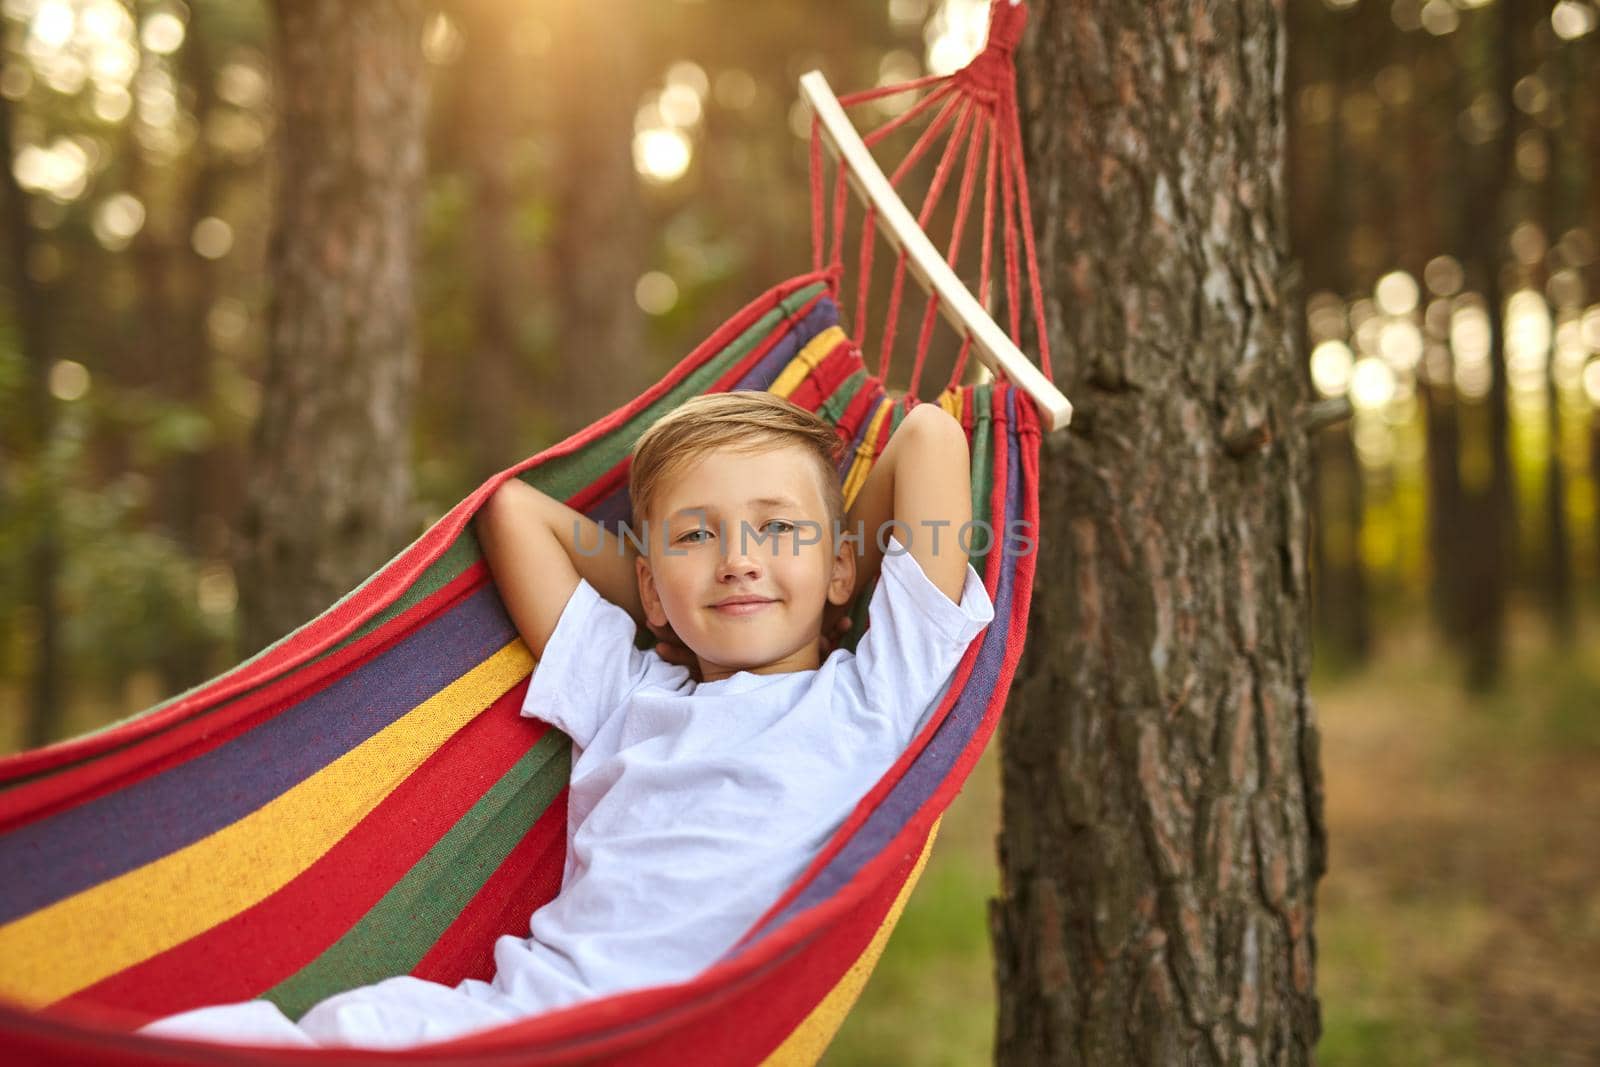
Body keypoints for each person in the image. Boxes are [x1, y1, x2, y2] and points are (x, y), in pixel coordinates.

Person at [139, 392, 994, 1049]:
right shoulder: (630, 696)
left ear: (844, 563)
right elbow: (515, 513)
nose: (739, 560)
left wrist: (831, 577)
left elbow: (928, 436)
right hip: (511, 1024)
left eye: (775, 528)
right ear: (649, 585)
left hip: (664, 1042)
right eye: (698, 536)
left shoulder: (875, 692)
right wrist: (672, 595)